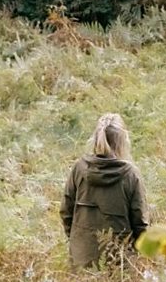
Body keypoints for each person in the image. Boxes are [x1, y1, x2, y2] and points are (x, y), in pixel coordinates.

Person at [60, 113, 148, 269]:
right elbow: (140, 223)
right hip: (118, 263)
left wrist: (77, 242)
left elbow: (66, 212)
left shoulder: (79, 168)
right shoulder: (130, 174)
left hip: (81, 259)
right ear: (123, 142)